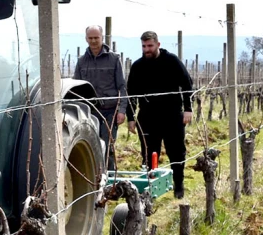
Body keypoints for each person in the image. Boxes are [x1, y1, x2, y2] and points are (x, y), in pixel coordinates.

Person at [125, 30, 193, 199]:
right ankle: (150, 189)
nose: (147, 49)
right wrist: (131, 118)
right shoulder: (138, 66)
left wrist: (188, 109)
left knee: (176, 152)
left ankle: (178, 185)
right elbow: (131, 94)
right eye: (144, 46)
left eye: (150, 46)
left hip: (172, 115)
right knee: (148, 154)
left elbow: (186, 84)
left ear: (158, 45)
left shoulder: (172, 61)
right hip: (148, 117)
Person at [73, 25, 127, 169]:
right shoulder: (82, 61)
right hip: (90, 111)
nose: (94, 41)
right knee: (91, 146)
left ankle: (109, 178)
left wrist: (121, 110)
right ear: (86, 39)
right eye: (90, 38)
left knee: (108, 146)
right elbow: (76, 89)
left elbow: (122, 86)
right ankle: (95, 179)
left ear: (102, 37)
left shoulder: (114, 59)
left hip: (110, 111)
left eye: (96, 37)